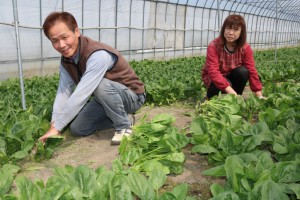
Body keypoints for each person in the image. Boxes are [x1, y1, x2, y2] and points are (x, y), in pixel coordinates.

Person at [39, 11, 146, 145]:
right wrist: (54, 124)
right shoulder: (66, 61)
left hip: (132, 97)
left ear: (76, 31)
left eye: (64, 37)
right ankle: (125, 117)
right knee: (78, 128)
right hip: (106, 99)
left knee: (100, 85)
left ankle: (123, 126)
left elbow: (82, 93)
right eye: (55, 41)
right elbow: (64, 92)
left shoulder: (97, 54)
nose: (61, 45)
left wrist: (58, 126)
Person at [201, 14, 264, 100]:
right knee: (223, 82)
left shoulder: (245, 48)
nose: (230, 33)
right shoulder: (214, 46)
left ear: (241, 32)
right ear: (224, 29)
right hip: (216, 79)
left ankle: (235, 99)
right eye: (228, 28)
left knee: (243, 71)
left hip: (232, 77)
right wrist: (230, 90)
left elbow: (251, 70)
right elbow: (213, 71)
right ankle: (212, 98)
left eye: (235, 29)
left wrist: (259, 96)